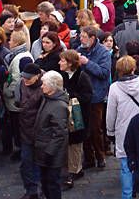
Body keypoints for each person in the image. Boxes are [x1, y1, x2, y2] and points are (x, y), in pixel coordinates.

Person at [107, 56, 139, 199]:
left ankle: (128, 195)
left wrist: (110, 131)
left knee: (126, 166)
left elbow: (111, 113)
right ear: (134, 68)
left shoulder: (114, 88)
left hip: (123, 130)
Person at [76, 26, 111, 169]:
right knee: (83, 128)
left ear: (92, 38)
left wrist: (87, 63)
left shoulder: (103, 53)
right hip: (82, 95)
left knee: (96, 129)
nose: (81, 39)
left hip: (96, 96)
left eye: (83, 37)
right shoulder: (79, 50)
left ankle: (100, 156)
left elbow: (104, 73)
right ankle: (89, 158)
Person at [58, 50, 93, 190]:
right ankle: (73, 169)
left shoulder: (82, 77)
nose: (59, 62)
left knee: (75, 145)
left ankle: (74, 171)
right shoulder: (61, 76)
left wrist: (71, 96)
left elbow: (88, 97)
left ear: (70, 63)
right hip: (65, 116)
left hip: (79, 118)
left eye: (62, 60)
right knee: (69, 144)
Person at [34, 71, 69, 199]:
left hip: (51, 154)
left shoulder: (58, 105)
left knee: (52, 184)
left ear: (52, 86)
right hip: (44, 150)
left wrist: (49, 152)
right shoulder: (48, 99)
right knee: (46, 183)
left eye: (44, 84)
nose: (41, 86)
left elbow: (60, 133)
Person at [3, 30, 34, 160]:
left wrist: (8, 92)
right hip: (16, 100)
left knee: (18, 127)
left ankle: (22, 151)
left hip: (15, 101)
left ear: (15, 42)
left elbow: (16, 79)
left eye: (10, 40)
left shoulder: (19, 58)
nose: (9, 42)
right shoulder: (22, 55)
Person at [16, 63, 43, 199]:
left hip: (40, 131)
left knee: (40, 163)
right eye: (24, 77)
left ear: (37, 76)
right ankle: (31, 190)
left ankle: (41, 189)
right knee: (26, 162)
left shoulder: (45, 86)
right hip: (25, 129)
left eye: (28, 78)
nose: (25, 80)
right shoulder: (22, 83)